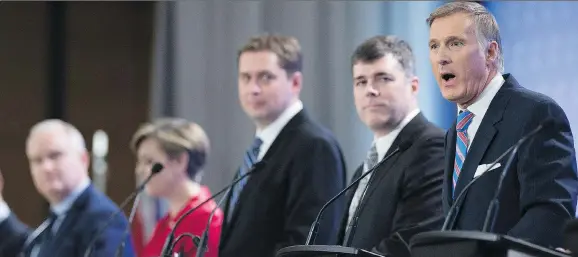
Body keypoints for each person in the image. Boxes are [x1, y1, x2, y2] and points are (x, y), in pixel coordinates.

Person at [427, 2, 578, 248]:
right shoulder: (455, 132)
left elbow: (551, 214)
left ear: (490, 52)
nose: (441, 58)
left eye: (455, 43)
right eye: (434, 46)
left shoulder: (536, 113)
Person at [219, 34, 347, 257]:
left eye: (265, 77)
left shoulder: (315, 147)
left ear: (295, 82)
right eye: (245, 77)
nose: (253, 89)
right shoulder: (261, 148)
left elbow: (309, 247)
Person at [336, 35, 445, 257]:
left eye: (383, 78)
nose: (370, 90)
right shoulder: (365, 168)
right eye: (361, 82)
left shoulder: (432, 147)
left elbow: (411, 242)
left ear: (413, 86)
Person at [0, 119, 134, 257]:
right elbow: (29, 249)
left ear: (83, 159)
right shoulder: (60, 215)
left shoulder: (103, 217)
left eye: (55, 155)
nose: (46, 167)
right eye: (37, 160)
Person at [130, 118, 222, 257]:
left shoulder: (207, 221)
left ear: (180, 161)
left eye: (149, 161)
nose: (139, 170)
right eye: (139, 162)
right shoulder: (166, 222)